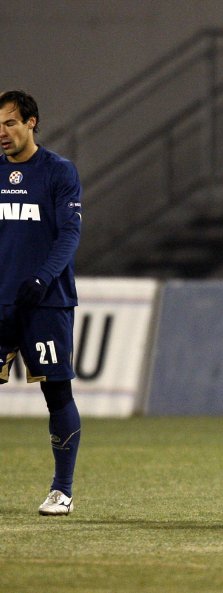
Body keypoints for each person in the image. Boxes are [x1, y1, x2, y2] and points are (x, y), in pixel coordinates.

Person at [0, 90, 84, 515]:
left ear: (32, 122)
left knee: (56, 393)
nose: (2, 132)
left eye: (10, 122)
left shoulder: (58, 172)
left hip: (46, 303)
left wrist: (41, 278)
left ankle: (62, 490)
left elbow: (69, 234)